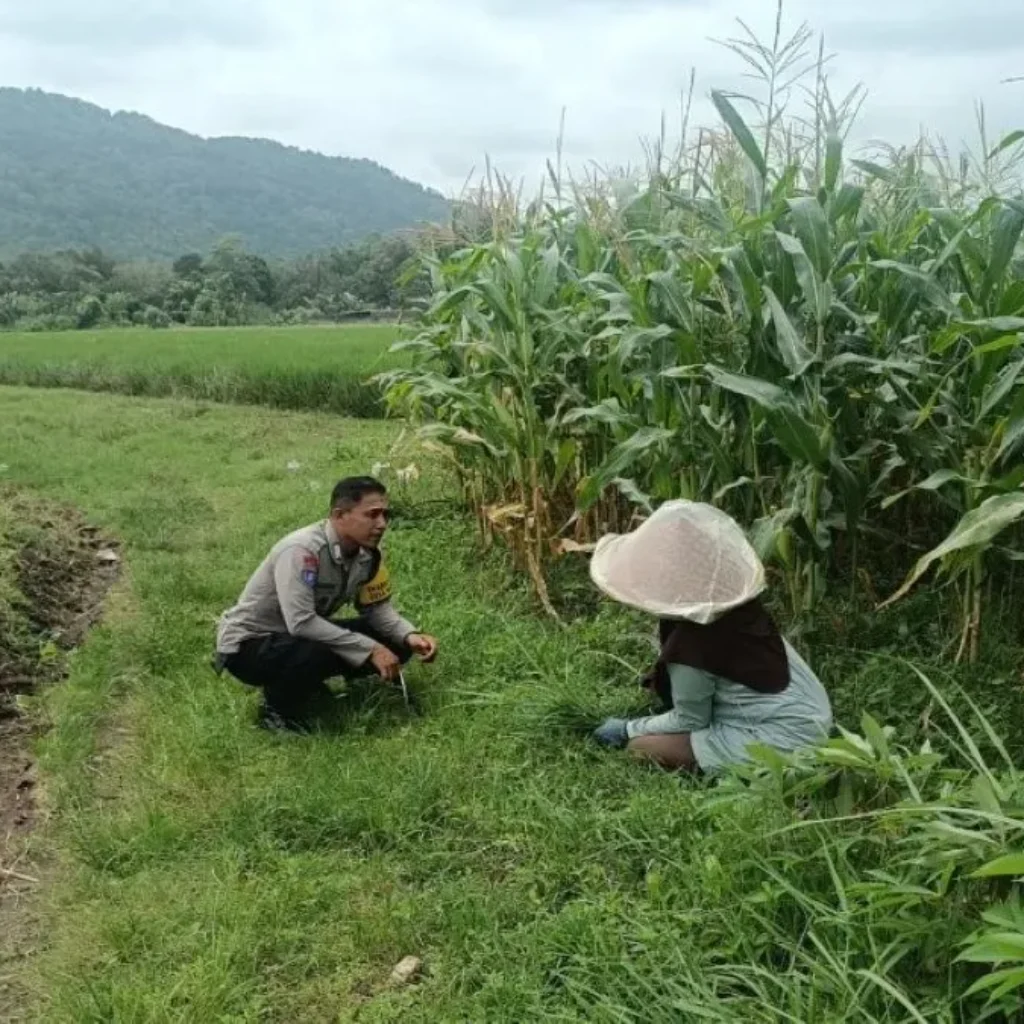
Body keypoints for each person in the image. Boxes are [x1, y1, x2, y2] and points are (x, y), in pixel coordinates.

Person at [588, 500, 832, 773]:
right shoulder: (740, 609)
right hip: (815, 718)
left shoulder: (691, 644)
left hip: (785, 742)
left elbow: (691, 720)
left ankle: (747, 764)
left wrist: (628, 728)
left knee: (642, 747)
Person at [214, 476, 438, 731]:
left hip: (297, 635)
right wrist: (370, 649)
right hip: (249, 645)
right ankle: (275, 711)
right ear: (339, 514)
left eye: (385, 515)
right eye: (372, 515)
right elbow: (300, 622)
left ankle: (308, 685)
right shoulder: (301, 550)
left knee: (394, 641)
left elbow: (375, 608)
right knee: (318, 649)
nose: (382, 524)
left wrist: (410, 636)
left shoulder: (369, 553)